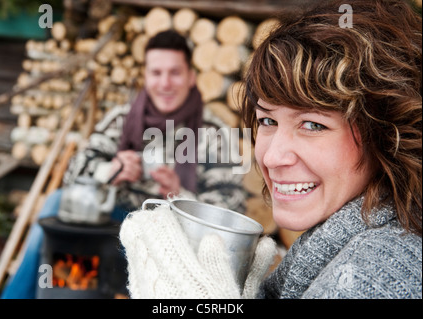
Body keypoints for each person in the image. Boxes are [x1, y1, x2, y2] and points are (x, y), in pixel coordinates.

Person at [119, 0, 422, 299]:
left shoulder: (378, 270)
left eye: (313, 124)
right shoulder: (121, 121)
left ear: (386, 134)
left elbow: (229, 204)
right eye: (267, 120)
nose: (271, 157)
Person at [0, 30, 247, 299]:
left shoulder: (215, 134)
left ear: (191, 77)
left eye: (174, 73)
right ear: (145, 76)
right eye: (156, 73)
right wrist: (111, 170)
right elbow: (74, 174)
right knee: (58, 204)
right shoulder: (120, 120)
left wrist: (181, 198)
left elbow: (232, 206)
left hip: (172, 245)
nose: (165, 83)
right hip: (111, 234)